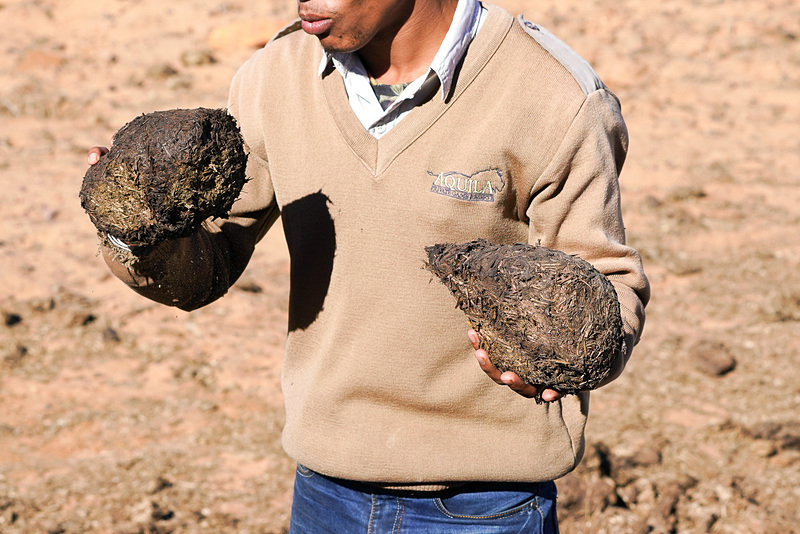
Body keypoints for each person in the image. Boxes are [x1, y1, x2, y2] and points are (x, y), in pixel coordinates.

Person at [87, 0, 650, 531]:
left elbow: (608, 283)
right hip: (324, 492)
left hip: (486, 506)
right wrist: (133, 230)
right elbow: (207, 263)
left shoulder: (553, 93)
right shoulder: (275, 76)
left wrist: (562, 356)